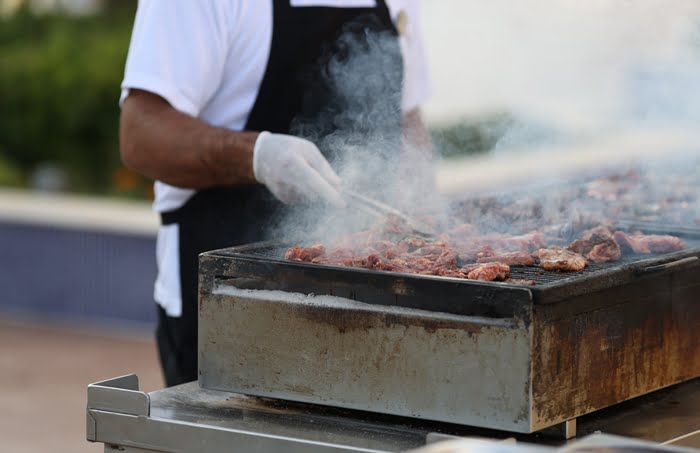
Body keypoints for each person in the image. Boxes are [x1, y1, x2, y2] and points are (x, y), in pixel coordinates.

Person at [119, 0, 432, 387]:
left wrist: (430, 224)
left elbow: (408, 123)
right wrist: (255, 155)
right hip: (228, 304)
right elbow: (140, 133)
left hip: (377, 310)